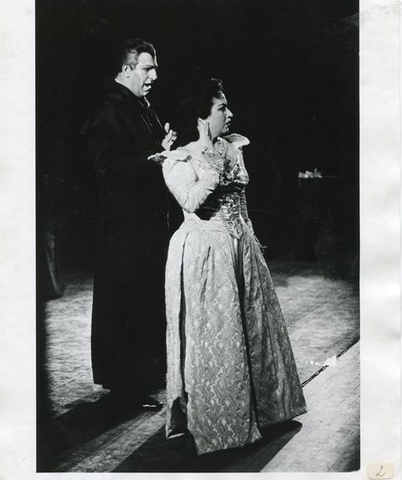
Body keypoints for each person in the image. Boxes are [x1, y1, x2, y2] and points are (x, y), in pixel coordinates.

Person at [150, 78, 307, 454]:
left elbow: (241, 198)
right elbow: (190, 201)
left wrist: (249, 238)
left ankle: (266, 410)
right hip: (206, 250)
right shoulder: (178, 158)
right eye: (222, 108)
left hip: (240, 246)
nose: (230, 113)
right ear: (202, 118)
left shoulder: (233, 147)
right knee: (218, 334)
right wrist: (209, 170)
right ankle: (222, 422)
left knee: (253, 326)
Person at [81, 38, 176, 404]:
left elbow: (141, 154)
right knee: (127, 302)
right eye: (147, 68)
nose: (154, 75)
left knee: (144, 299)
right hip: (123, 228)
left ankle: (144, 378)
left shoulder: (138, 106)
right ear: (126, 70)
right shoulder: (110, 109)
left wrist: (162, 147)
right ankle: (127, 386)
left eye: (154, 68)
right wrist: (153, 161)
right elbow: (107, 168)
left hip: (143, 225)